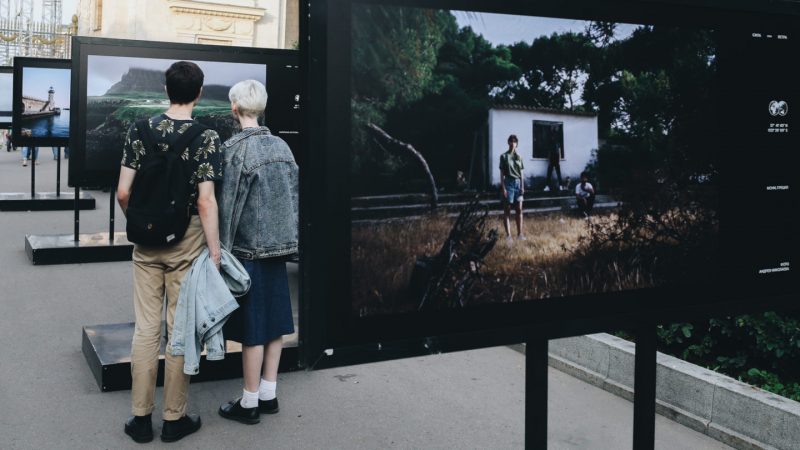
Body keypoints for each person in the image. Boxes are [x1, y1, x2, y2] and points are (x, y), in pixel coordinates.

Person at [117, 61, 223, 444]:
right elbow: (207, 202)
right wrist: (214, 251)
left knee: (146, 329)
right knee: (180, 329)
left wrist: (143, 222)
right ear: (198, 92)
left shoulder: (139, 129)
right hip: (188, 237)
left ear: (166, 89)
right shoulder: (207, 136)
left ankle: (141, 419)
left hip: (147, 241)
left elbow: (123, 193)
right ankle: (174, 419)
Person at [216, 79, 298, 424]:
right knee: (276, 324)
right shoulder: (283, 147)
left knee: (252, 329)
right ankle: (269, 393)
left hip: (247, 252)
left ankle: (249, 403)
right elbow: (294, 199)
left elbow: (229, 208)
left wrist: (220, 252)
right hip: (278, 249)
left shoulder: (234, 151)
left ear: (235, 109)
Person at [499, 134, 525, 241]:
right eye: (511, 141)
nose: (512, 143)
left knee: (519, 209)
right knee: (507, 210)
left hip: (518, 183)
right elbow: (502, 174)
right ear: (508, 142)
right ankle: (508, 236)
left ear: (517, 144)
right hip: (508, 183)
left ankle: (520, 234)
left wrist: (522, 186)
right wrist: (503, 188)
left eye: (514, 141)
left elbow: (522, 173)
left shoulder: (519, 157)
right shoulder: (504, 156)